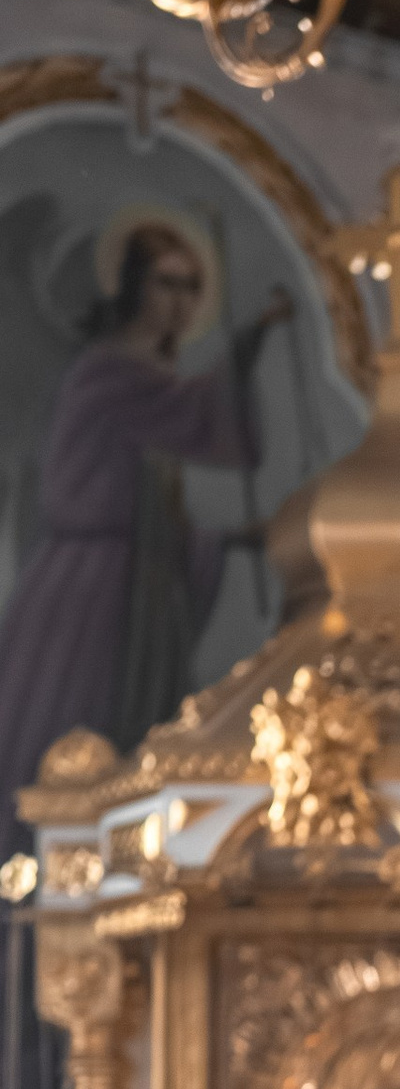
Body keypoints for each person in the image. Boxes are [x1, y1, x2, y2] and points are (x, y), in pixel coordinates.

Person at [0, 217, 291, 804]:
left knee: (125, 740)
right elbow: (196, 420)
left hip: (136, 591)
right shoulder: (108, 373)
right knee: (70, 732)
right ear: (133, 286)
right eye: (167, 283)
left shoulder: (148, 376)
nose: (181, 303)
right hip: (89, 590)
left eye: (192, 288)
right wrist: (244, 347)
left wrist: (227, 539)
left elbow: (161, 508)